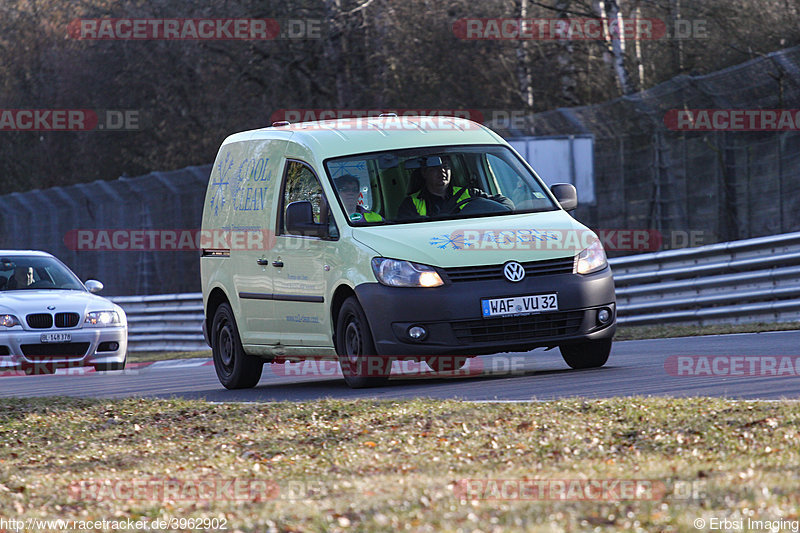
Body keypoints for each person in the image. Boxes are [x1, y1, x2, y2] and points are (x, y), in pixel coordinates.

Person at [396, 156, 513, 219]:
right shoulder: (411, 203)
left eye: (446, 167)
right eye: (435, 168)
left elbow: (505, 203)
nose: (442, 172)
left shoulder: (470, 193)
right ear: (424, 173)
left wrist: (505, 211)